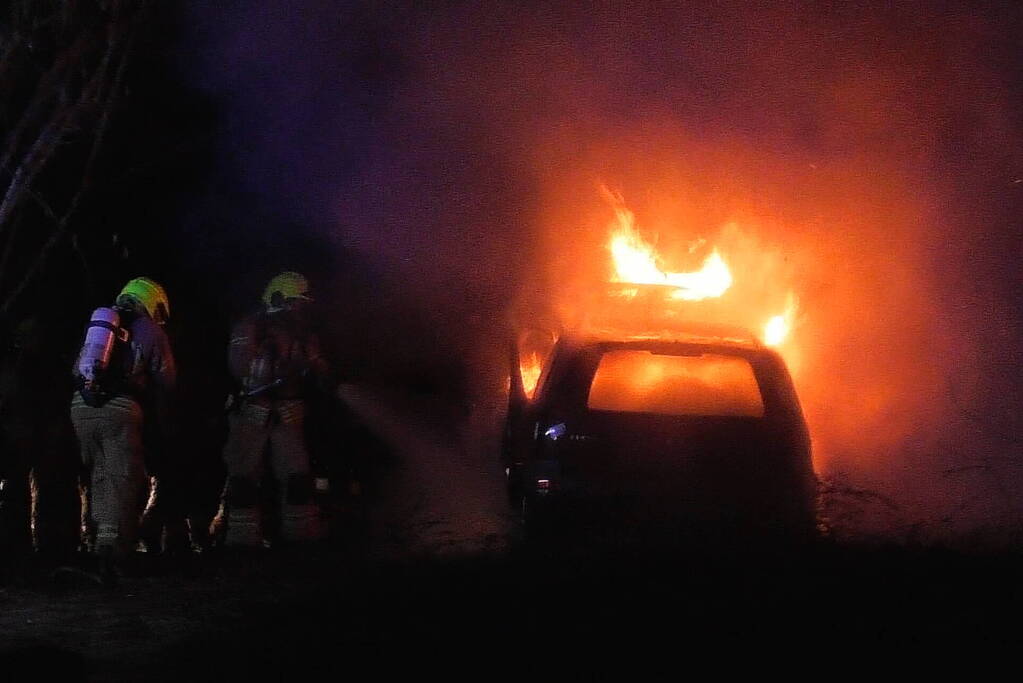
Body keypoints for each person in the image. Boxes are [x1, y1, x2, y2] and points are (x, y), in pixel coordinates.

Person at [70, 277, 176, 575]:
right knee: (122, 478)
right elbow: (166, 380)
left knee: (97, 475)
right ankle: (113, 553)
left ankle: (94, 541)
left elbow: (76, 368)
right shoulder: (150, 330)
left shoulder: (98, 325)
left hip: (80, 406)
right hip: (121, 409)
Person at [221, 271, 331, 548]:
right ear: (279, 297)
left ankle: (299, 534)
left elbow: (317, 368)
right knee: (246, 476)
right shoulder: (252, 327)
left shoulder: (298, 331)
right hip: (257, 408)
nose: (299, 308)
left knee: (294, 476)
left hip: (284, 409)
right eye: (296, 301)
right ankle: (244, 539)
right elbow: (240, 368)